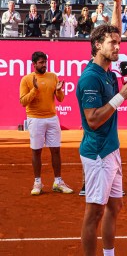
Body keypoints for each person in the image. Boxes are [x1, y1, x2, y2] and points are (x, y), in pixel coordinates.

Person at [76, 0, 127, 256]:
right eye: (113, 44)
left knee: (115, 206)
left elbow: (114, 28)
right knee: (94, 212)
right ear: (98, 45)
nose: (118, 48)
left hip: (111, 149)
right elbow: (94, 119)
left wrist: (118, 4)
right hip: (98, 152)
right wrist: (121, 96)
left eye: (119, 43)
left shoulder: (108, 70)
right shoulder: (91, 78)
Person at [19, 51, 74, 196]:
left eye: (45, 62)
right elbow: (23, 101)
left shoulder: (53, 77)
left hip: (52, 118)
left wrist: (59, 90)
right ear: (34, 64)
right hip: (35, 118)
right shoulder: (26, 80)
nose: (44, 65)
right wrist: (35, 90)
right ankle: (37, 182)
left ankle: (58, 181)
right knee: (36, 151)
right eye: (41, 63)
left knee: (56, 150)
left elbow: (60, 99)